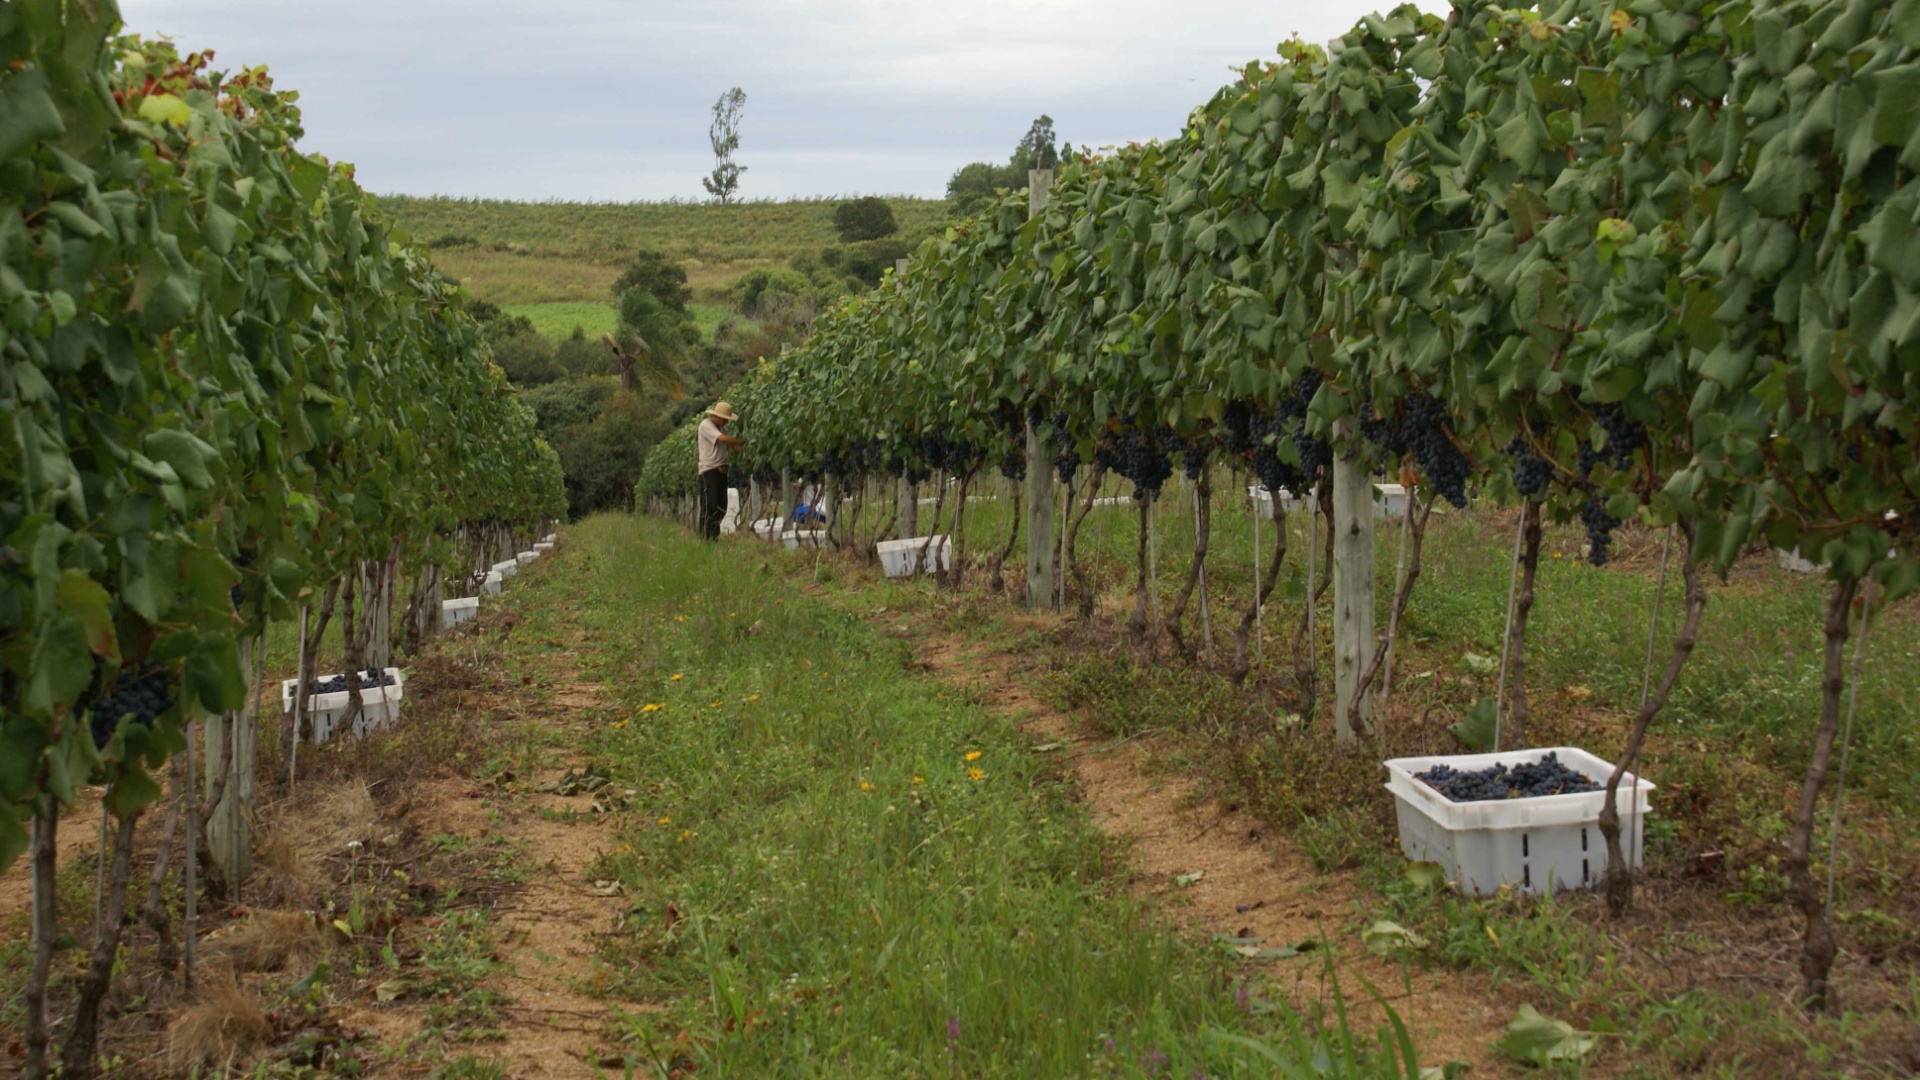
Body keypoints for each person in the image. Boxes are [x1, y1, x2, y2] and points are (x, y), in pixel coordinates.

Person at [696, 402, 743, 540]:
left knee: (722, 505)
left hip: (721, 472)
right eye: (724, 418)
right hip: (708, 471)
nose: (726, 421)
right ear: (716, 416)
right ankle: (705, 537)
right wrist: (740, 441)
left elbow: (733, 446)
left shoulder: (722, 428)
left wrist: (744, 450)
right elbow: (723, 439)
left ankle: (713, 535)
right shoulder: (706, 426)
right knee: (710, 505)